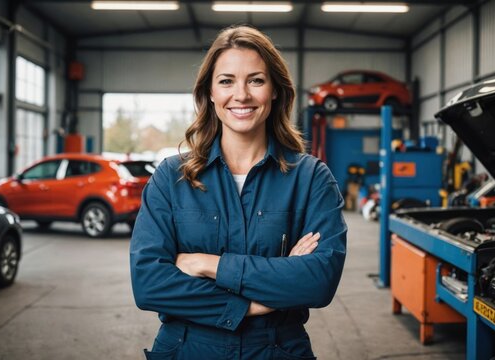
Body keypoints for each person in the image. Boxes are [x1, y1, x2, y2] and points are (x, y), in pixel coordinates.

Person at [130, 25, 347, 360]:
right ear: (211, 92)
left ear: (275, 90)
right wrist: (256, 303)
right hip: (187, 349)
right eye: (227, 81)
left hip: (277, 350)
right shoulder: (170, 177)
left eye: (256, 80)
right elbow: (149, 284)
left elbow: (318, 282)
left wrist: (208, 264)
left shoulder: (311, 179)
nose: (241, 94)